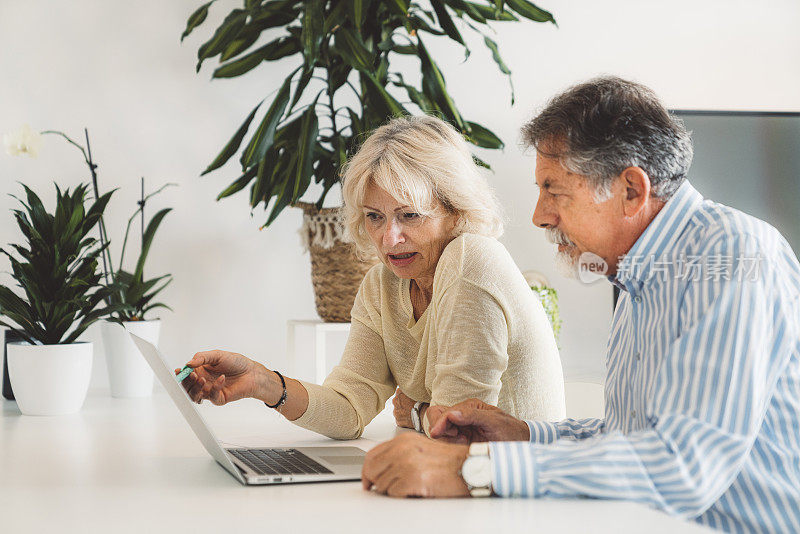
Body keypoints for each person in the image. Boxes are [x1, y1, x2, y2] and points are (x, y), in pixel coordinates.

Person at [360, 77, 800, 533]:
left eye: (555, 190)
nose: (539, 215)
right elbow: (631, 440)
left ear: (631, 190)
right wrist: (523, 434)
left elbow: (682, 466)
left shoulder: (732, 256)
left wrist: (472, 471)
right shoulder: (638, 277)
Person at [178, 115, 566, 440]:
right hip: (464, 479)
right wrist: (264, 383)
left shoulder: (470, 259)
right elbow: (348, 408)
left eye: (409, 215)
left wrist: (417, 413)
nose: (389, 238)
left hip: (518, 485)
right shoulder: (383, 285)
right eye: (374, 216)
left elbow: (458, 432)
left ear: (455, 210)